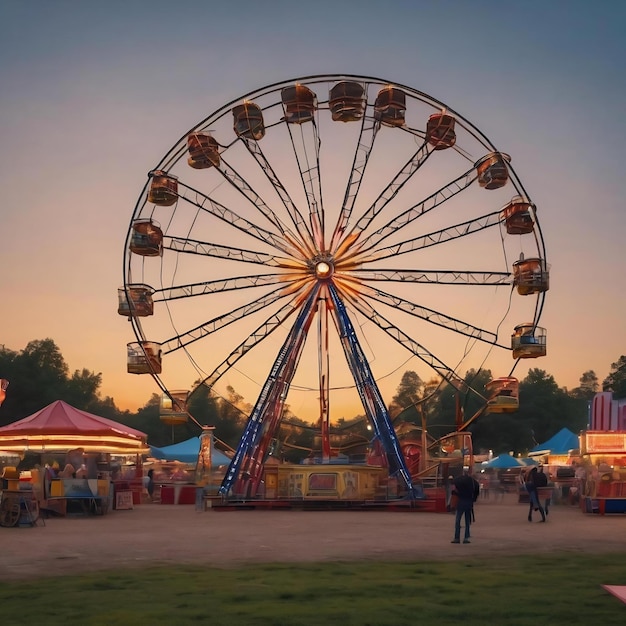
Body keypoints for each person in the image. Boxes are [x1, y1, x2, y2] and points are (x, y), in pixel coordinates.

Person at [451, 467, 480, 544]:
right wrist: (474, 499)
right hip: (469, 502)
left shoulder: (457, 480)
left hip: (460, 501)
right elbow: (477, 491)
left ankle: (457, 537)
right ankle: (466, 538)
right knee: (467, 521)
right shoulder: (473, 482)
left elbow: (453, 490)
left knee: (458, 520)